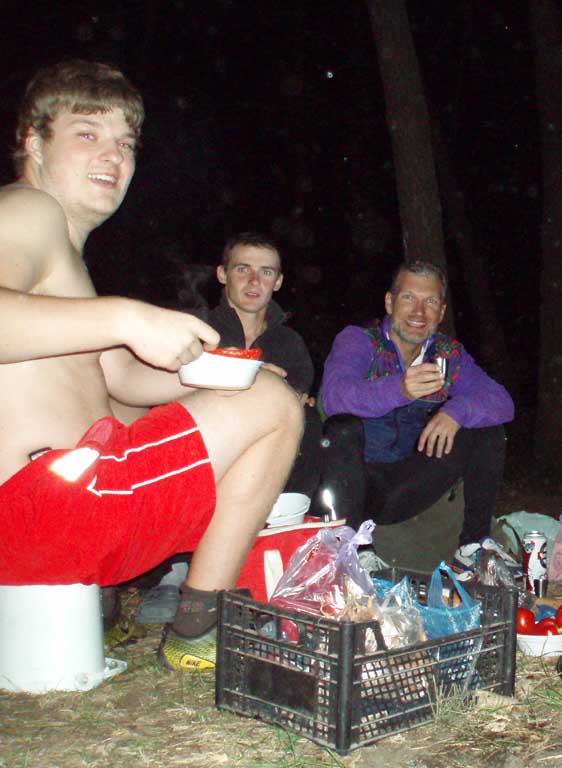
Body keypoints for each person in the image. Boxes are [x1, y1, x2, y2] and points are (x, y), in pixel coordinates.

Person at [0, 60, 304, 672]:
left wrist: (218, 372)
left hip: (48, 514)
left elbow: (120, 377)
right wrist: (128, 317)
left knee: (237, 396)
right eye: (88, 133)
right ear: (34, 142)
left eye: (126, 143)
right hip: (43, 509)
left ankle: (116, 608)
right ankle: (202, 622)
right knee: (275, 409)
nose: (113, 156)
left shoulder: (64, 258)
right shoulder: (27, 210)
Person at [136, 232, 317, 624]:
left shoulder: (290, 344)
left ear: (278, 282)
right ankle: (176, 569)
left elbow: (295, 404)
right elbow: (153, 392)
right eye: (243, 269)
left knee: (311, 424)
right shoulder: (195, 331)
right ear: (222, 274)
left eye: (266, 272)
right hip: (201, 448)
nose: (254, 281)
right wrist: (234, 374)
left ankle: (272, 559)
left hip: (259, 460)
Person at [319, 260, 514, 561]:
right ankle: (355, 549)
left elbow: (502, 402)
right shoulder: (359, 341)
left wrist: (456, 411)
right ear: (390, 302)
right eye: (409, 298)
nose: (419, 312)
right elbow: (334, 398)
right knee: (341, 429)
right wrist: (400, 389)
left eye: (430, 302)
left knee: (486, 430)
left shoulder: (447, 356)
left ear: (442, 312)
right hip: (356, 485)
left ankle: (473, 547)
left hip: (411, 482)